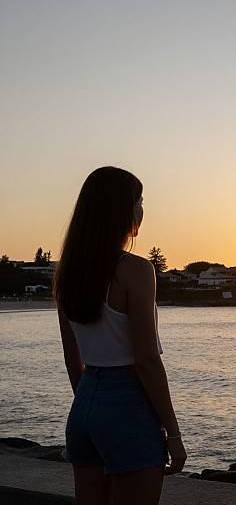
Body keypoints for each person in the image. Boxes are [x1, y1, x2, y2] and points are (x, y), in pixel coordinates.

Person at [52, 166, 187, 504]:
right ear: (123, 210)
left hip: (84, 406)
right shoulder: (136, 271)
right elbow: (146, 360)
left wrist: (91, 409)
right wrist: (173, 432)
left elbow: (73, 359)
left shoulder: (68, 273)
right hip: (128, 405)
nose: (142, 208)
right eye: (139, 200)